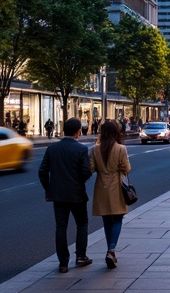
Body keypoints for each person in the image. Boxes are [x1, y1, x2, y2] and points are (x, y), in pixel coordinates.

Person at [38, 116, 94, 273]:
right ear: (78, 131)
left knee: (60, 227)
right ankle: (81, 256)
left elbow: (42, 171)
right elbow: (86, 172)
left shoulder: (52, 148)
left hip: (58, 195)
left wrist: (49, 189)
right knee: (82, 223)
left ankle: (63, 262)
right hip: (77, 193)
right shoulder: (81, 149)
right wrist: (79, 181)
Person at [89, 120, 130, 269]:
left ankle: (110, 251)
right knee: (118, 218)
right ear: (115, 132)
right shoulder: (121, 148)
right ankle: (111, 250)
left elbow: (91, 168)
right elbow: (127, 168)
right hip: (116, 186)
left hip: (101, 186)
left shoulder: (95, 149)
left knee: (106, 220)